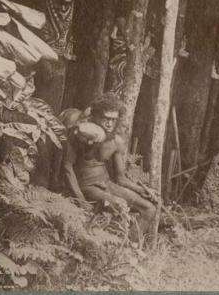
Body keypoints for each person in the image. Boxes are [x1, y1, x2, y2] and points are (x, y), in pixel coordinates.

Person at [61, 93, 156, 235]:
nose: (109, 124)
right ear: (95, 116)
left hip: (106, 183)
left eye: (113, 119)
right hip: (86, 185)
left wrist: (141, 190)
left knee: (149, 209)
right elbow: (67, 167)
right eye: (106, 118)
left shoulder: (117, 141)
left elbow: (121, 178)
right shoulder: (80, 135)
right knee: (119, 204)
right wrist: (80, 198)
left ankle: (130, 248)